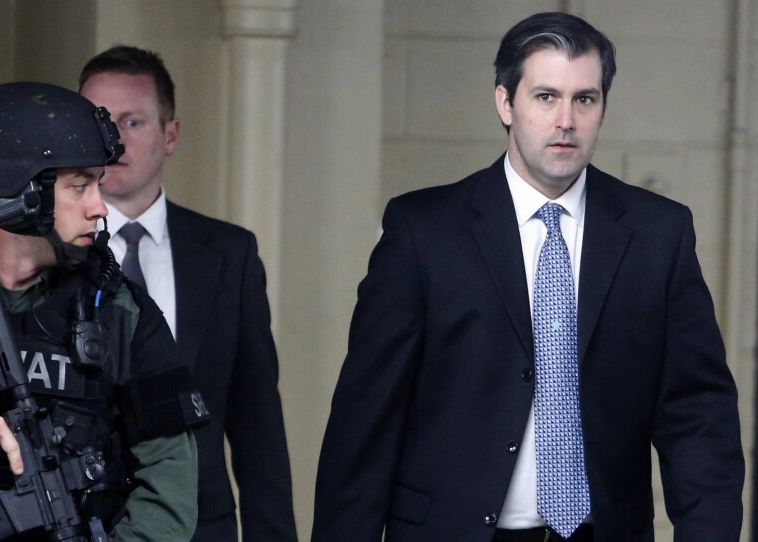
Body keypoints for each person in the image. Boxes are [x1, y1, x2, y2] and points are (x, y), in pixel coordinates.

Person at [312, 11, 743, 542]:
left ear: (602, 109)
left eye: (584, 99)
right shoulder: (424, 232)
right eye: (545, 97)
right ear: (505, 103)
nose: (566, 119)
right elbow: (365, 423)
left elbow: (698, 416)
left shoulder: (659, 234)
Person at [0, 82, 199, 540]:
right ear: (15, 196)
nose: (99, 208)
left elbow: (170, 485)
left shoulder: (120, 312)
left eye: (98, 184)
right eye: (79, 186)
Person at [78, 46, 298, 542]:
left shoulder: (229, 254)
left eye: (132, 122)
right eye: (97, 121)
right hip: (82, 522)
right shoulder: (49, 252)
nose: (112, 139)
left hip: (201, 525)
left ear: (170, 134)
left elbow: (256, 420)